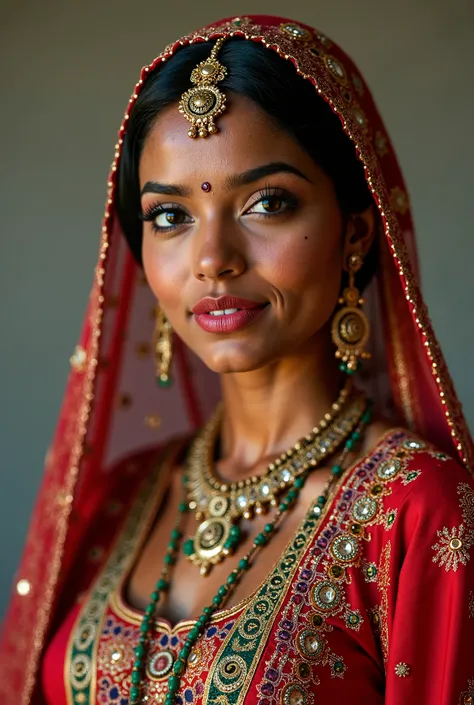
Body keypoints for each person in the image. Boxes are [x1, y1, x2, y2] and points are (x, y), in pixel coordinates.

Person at [1, 14, 473, 705]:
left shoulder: (415, 511)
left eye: (266, 203)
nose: (213, 259)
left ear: (355, 234)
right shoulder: (123, 496)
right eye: (170, 215)